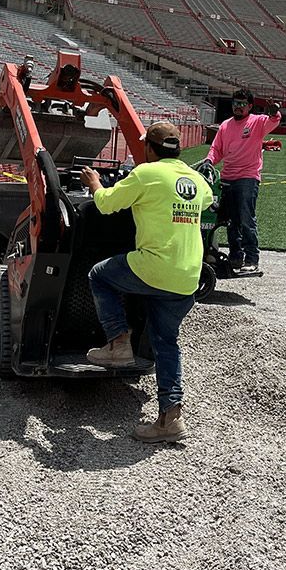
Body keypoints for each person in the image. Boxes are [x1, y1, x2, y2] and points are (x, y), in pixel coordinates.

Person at [80, 121, 213, 444]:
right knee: (166, 343)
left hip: (154, 267)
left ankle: (118, 343)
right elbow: (205, 200)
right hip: (187, 277)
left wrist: (95, 183)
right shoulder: (195, 179)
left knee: (100, 275)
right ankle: (170, 418)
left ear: (149, 149)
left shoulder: (145, 173)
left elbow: (106, 203)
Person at [206, 88, 281, 273]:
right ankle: (235, 257)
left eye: (242, 104)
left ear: (250, 106)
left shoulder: (257, 122)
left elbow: (273, 121)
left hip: (247, 177)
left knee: (246, 219)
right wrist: (209, 161)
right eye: (235, 103)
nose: (238, 107)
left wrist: (274, 112)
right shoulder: (225, 125)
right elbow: (217, 149)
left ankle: (252, 258)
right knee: (231, 221)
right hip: (227, 177)